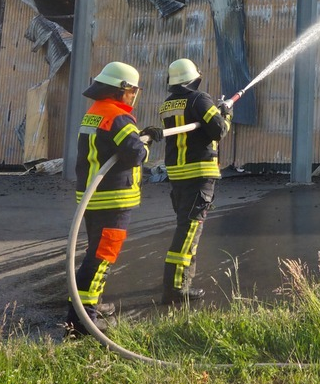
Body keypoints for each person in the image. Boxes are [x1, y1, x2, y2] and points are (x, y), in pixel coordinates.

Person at [65, 61, 152, 337]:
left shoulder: (95, 113)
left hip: (93, 199)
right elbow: (135, 153)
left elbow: (115, 146)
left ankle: (89, 306)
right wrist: (147, 142)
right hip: (113, 201)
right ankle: (83, 321)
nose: (134, 95)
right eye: (133, 90)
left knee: (95, 254)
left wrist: (142, 136)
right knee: (100, 258)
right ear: (122, 89)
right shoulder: (117, 117)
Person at [143, 58, 231, 305]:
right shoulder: (200, 98)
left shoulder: (168, 104)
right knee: (189, 232)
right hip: (199, 174)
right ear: (194, 79)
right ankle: (176, 289)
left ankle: (175, 283)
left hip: (178, 175)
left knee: (185, 228)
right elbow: (219, 131)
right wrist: (226, 114)